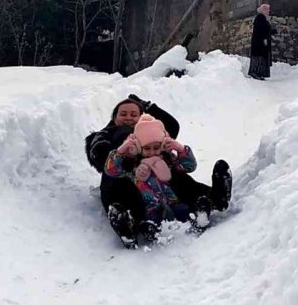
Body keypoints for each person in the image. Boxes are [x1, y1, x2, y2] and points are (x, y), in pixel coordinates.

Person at [84, 96, 232, 242]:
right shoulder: (106, 133)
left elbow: (172, 126)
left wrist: (147, 106)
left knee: (179, 178)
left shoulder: (150, 134)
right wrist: (123, 153)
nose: (128, 117)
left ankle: (212, 199)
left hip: (158, 175)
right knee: (124, 193)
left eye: (134, 114)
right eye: (123, 114)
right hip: (123, 175)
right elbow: (98, 151)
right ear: (114, 118)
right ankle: (127, 223)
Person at [104, 115, 198, 243]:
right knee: (150, 220)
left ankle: (198, 219)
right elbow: (111, 170)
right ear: (138, 147)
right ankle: (147, 232)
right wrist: (121, 151)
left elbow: (189, 166)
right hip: (148, 207)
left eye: (157, 147)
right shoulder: (133, 166)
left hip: (172, 201)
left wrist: (180, 149)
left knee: (184, 210)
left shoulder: (167, 161)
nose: (152, 152)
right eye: (147, 148)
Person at [248, 4, 273, 80]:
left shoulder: (262, 18)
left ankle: (260, 73)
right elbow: (262, 30)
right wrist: (265, 38)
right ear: (264, 10)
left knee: (261, 57)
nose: (269, 11)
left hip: (260, 42)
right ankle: (256, 72)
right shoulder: (260, 18)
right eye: (267, 10)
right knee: (259, 57)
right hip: (259, 42)